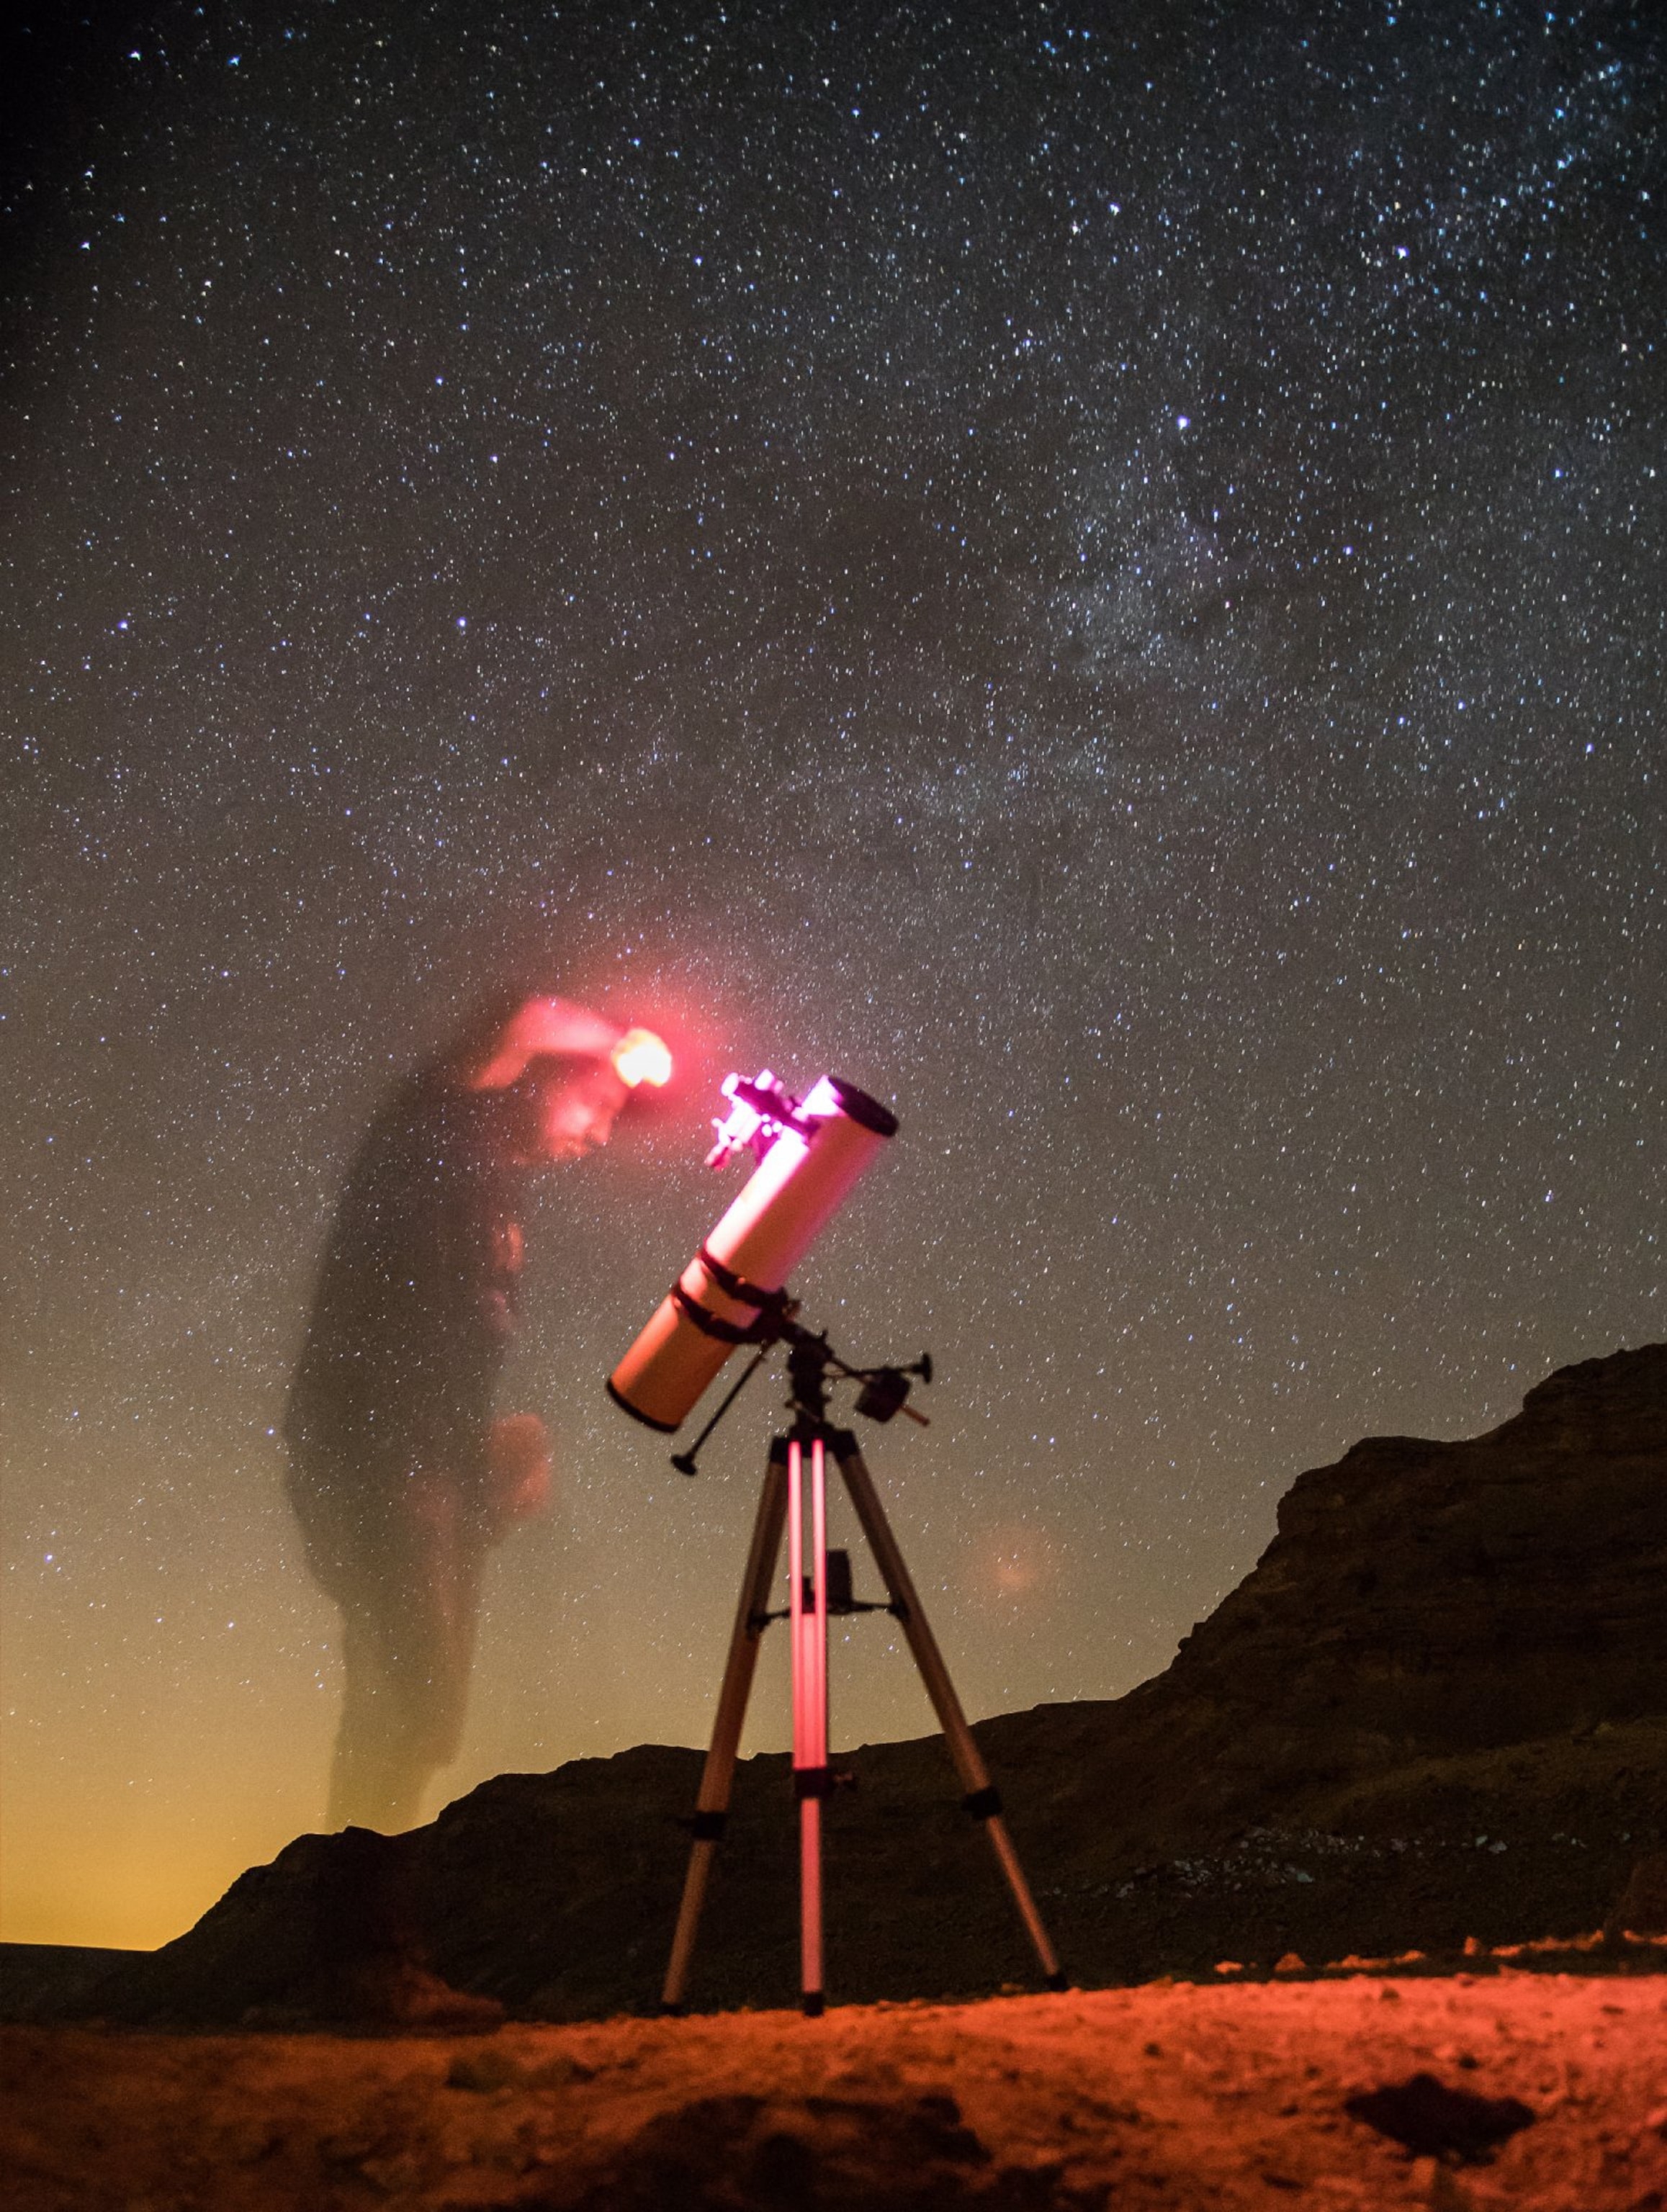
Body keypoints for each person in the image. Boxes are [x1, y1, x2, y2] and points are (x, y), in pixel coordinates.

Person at [284, 989, 668, 1834]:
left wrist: (497, 1455)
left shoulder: (498, 1192)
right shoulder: (435, 1132)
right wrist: (624, 1046)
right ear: (541, 1081)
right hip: (372, 1451)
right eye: (598, 1104)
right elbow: (518, 1016)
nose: (602, 1134)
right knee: (409, 1696)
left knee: (422, 1713)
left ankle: (368, 1907)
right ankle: (357, 1925)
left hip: (431, 1458)